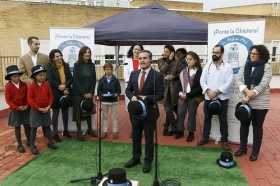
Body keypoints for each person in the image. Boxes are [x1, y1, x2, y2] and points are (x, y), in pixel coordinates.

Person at [124, 50, 164, 173]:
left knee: (149, 139)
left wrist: (148, 97)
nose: (142, 60)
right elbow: (128, 90)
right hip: (136, 111)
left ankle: (148, 161)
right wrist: (132, 97)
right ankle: (136, 158)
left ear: (150, 60)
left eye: (145, 58)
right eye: (140, 58)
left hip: (150, 112)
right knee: (136, 137)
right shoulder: (134, 74)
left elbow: (160, 95)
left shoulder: (157, 76)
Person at [234, 45, 272, 161]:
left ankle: (255, 152)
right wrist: (246, 91)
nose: (252, 55)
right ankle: (242, 148)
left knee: (257, 127)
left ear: (261, 55)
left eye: (255, 54)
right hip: (244, 101)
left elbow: (263, 84)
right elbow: (238, 79)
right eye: (251, 53)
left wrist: (250, 95)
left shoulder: (267, 67)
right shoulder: (246, 65)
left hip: (260, 103)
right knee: (244, 125)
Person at [197, 45, 233, 151]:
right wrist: (209, 91)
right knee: (207, 118)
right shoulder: (208, 66)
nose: (214, 54)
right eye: (213, 52)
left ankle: (224, 141)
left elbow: (229, 82)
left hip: (222, 98)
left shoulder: (227, 67)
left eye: (217, 52)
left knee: (223, 119)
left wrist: (216, 92)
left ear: (222, 54)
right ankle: (205, 137)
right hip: (208, 97)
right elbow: (202, 81)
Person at [18, 36, 48, 136]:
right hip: (30, 89)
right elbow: (22, 73)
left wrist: (41, 81)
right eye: (36, 44)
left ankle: (46, 132)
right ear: (29, 44)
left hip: (43, 89)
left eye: (39, 44)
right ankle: (31, 135)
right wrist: (32, 83)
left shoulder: (44, 57)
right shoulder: (23, 58)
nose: (38, 46)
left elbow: (47, 71)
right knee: (32, 112)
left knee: (44, 110)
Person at [27, 65, 57, 155]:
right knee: (34, 127)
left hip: (46, 109)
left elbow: (50, 96)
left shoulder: (46, 85)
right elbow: (30, 99)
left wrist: (48, 106)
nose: (42, 77)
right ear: (35, 76)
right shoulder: (31, 86)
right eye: (40, 75)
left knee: (47, 126)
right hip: (36, 110)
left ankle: (50, 142)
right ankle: (32, 145)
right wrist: (38, 108)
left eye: (43, 75)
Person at [46, 49, 73, 142]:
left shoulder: (65, 65)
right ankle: (56, 133)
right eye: (57, 56)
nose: (59, 57)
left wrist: (65, 85)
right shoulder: (49, 66)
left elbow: (70, 78)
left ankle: (66, 131)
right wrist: (59, 86)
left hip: (65, 91)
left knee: (65, 113)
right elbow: (49, 79)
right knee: (56, 113)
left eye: (60, 55)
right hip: (56, 93)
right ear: (53, 58)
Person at [157, 45, 184, 136]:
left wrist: (174, 77)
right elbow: (162, 69)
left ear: (172, 53)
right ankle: (174, 127)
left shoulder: (177, 62)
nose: (165, 53)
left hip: (174, 89)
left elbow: (181, 73)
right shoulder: (160, 60)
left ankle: (166, 127)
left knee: (170, 108)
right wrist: (168, 60)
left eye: (167, 52)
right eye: (164, 51)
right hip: (164, 88)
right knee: (168, 108)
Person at [176, 51, 203, 141]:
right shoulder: (183, 71)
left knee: (191, 115)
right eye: (187, 59)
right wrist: (180, 94)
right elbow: (180, 84)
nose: (188, 61)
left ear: (195, 60)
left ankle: (191, 133)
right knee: (180, 113)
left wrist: (187, 95)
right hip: (182, 97)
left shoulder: (199, 72)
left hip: (192, 98)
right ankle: (180, 130)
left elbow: (199, 87)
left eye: (190, 59)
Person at [72, 46, 97, 141]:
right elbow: (76, 80)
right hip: (78, 93)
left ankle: (90, 130)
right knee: (79, 112)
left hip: (89, 93)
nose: (87, 54)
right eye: (85, 52)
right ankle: (79, 133)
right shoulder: (77, 65)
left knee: (89, 110)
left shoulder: (92, 65)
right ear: (81, 54)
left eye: (89, 52)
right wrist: (84, 93)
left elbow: (94, 79)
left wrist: (90, 92)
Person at [4, 65, 31, 153]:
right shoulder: (8, 87)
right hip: (15, 109)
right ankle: (19, 144)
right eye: (14, 76)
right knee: (17, 127)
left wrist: (26, 105)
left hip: (25, 108)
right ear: (10, 77)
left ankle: (29, 140)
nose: (17, 78)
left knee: (27, 125)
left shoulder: (24, 84)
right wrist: (17, 107)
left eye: (18, 75)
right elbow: (8, 100)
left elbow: (28, 96)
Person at [124, 44, 144, 138]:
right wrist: (133, 85)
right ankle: (134, 129)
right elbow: (126, 75)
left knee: (141, 108)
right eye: (135, 49)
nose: (137, 51)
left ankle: (140, 129)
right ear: (132, 50)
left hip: (141, 88)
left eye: (139, 49)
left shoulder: (143, 60)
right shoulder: (127, 61)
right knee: (132, 109)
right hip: (130, 88)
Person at [97, 63, 121, 139]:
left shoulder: (115, 80)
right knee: (105, 116)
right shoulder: (102, 79)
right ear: (104, 70)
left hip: (113, 100)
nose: (107, 71)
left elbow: (119, 90)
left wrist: (116, 94)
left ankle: (115, 131)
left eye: (109, 69)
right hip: (104, 100)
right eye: (106, 69)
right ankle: (104, 131)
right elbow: (99, 90)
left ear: (112, 69)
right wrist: (101, 94)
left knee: (114, 116)